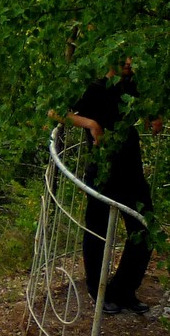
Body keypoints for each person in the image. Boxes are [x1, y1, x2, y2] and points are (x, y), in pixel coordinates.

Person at [68, 59, 160, 314]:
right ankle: (98, 293)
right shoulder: (97, 88)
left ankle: (124, 290)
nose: (131, 63)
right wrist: (92, 125)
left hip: (131, 167)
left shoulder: (131, 86)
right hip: (103, 170)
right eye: (125, 59)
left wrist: (153, 117)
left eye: (132, 58)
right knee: (98, 231)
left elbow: (141, 107)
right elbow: (57, 112)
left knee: (144, 228)